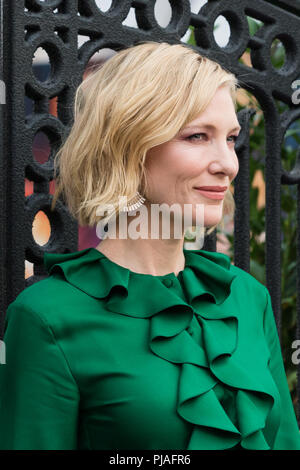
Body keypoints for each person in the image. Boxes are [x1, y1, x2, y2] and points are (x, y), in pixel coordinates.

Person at [0, 41, 300, 450]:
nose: (228, 163)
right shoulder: (47, 318)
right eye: (197, 136)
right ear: (129, 146)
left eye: (230, 138)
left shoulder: (246, 296)